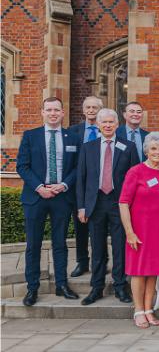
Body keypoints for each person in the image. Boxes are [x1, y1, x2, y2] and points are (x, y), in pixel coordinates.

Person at [17, 97, 81, 306]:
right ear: (42, 112)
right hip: (36, 197)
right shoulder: (30, 136)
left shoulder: (72, 137)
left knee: (60, 243)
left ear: (63, 113)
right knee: (33, 244)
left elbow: (77, 168)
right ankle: (32, 288)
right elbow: (22, 166)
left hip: (61, 197)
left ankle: (62, 285)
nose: (53, 113)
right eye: (49, 110)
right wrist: (39, 188)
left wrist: (63, 185)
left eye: (56, 110)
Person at [77, 108, 139, 305]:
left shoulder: (127, 147)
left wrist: (132, 207)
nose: (107, 125)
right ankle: (97, 287)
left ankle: (120, 286)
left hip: (119, 204)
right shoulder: (88, 147)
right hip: (95, 204)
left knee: (120, 247)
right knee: (97, 248)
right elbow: (81, 179)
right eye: (104, 122)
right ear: (98, 125)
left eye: (111, 122)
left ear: (117, 125)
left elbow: (134, 178)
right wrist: (81, 207)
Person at [119, 132, 159, 328]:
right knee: (138, 271)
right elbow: (123, 203)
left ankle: (149, 308)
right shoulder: (135, 172)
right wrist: (129, 232)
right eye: (153, 149)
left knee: (154, 271)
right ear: (146, 150)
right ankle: (138, 310)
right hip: (139, 230)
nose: (157, 152)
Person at [68, 96, 103, 278]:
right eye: (88, 107)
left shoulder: (107, 130)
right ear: (83, 111)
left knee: (100, 229)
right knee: (81, 227)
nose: (91, 110)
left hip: (102, 188)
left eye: (95, 107)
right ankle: (82, 262)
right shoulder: (73, 132)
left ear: (100, 110)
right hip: (80, 187)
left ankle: (102, 262)